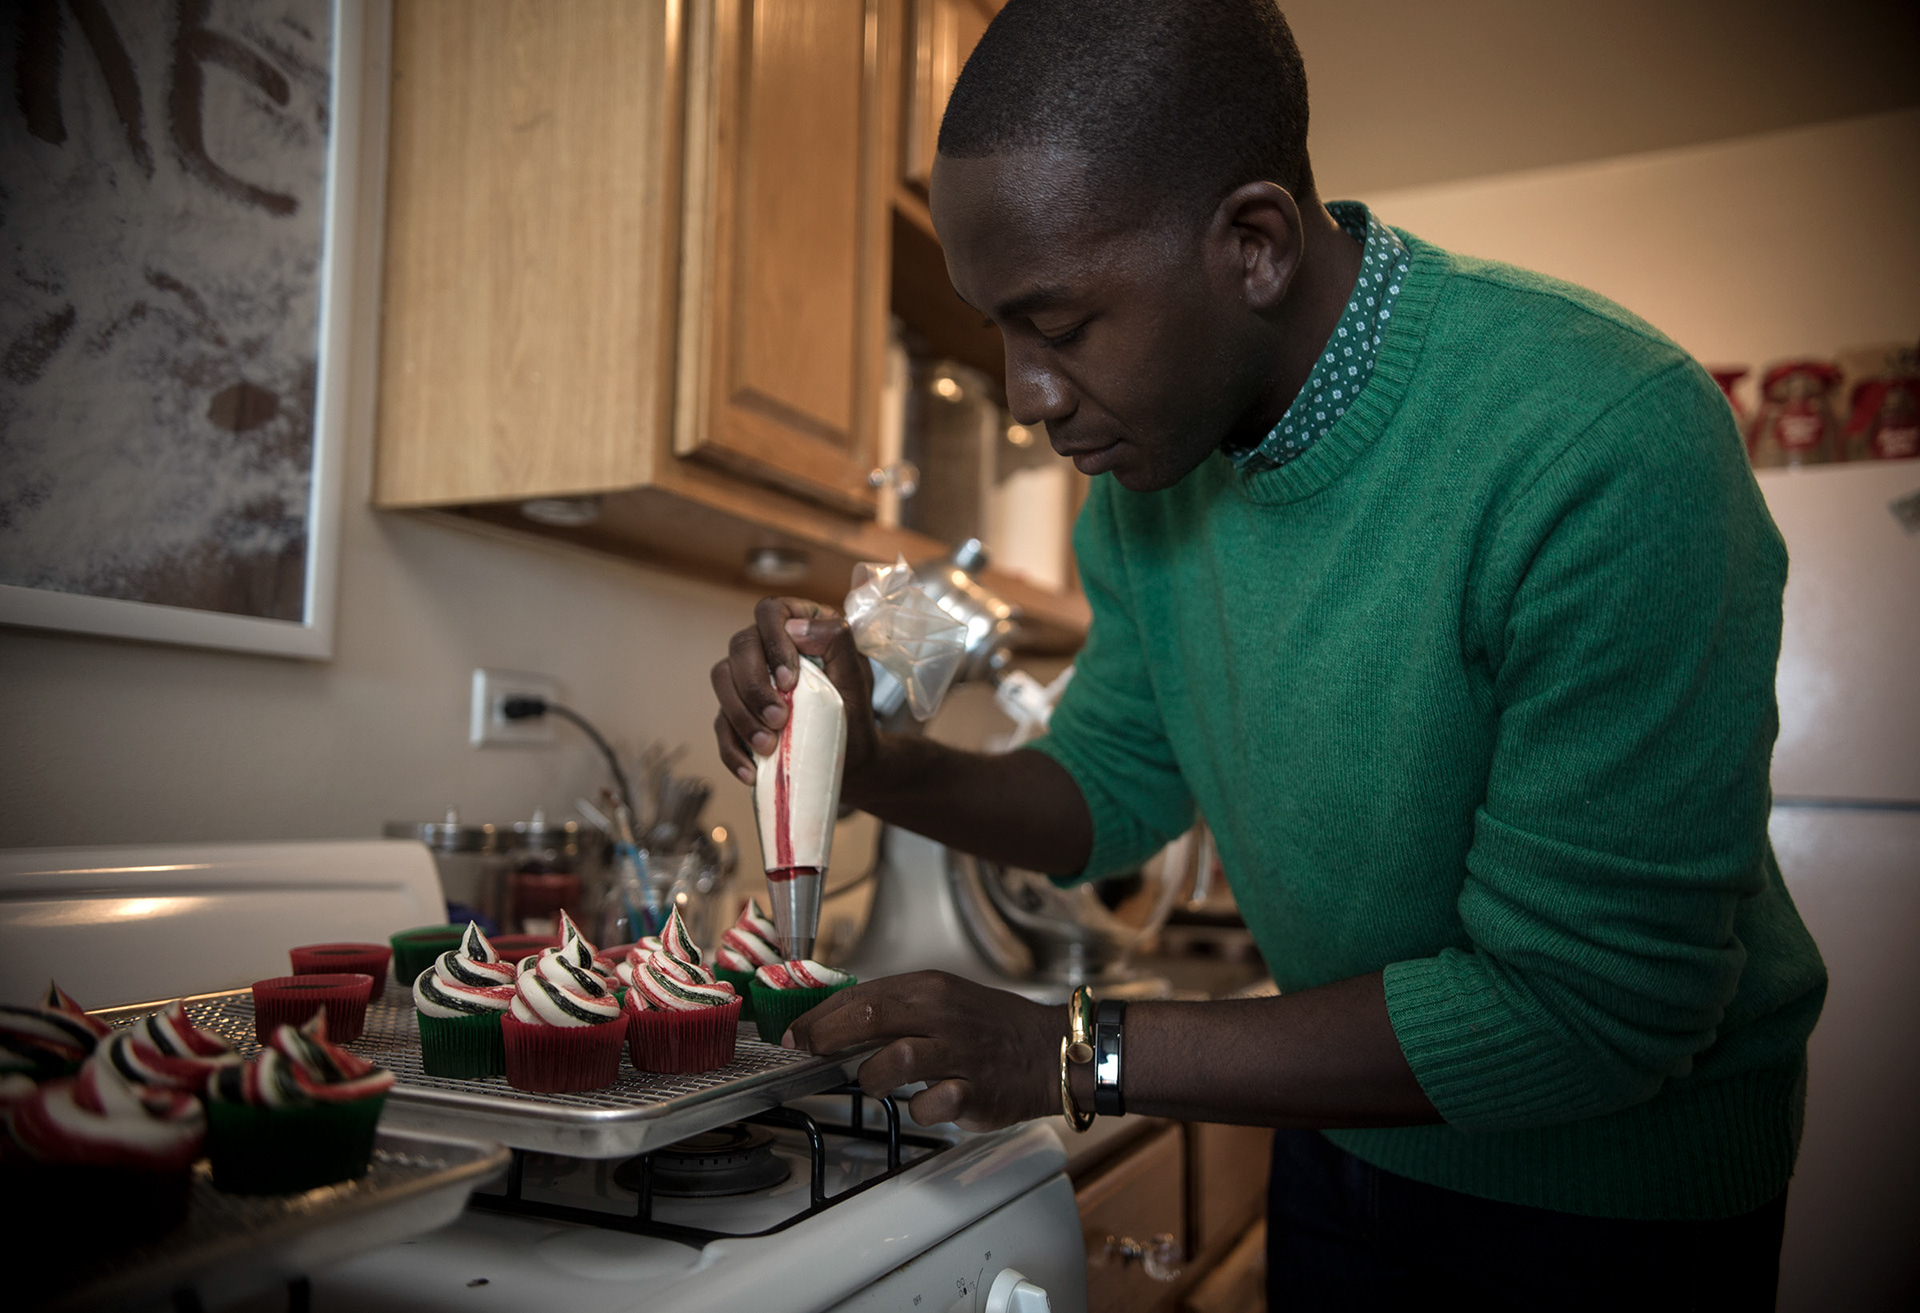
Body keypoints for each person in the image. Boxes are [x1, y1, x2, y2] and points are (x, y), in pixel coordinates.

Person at [710, 2, 1827, 1307]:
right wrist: (871, 761)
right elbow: (1110, 791)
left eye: (1059, 324)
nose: (1025, 394)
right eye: (996, 330)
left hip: (1614, 1206)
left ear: (1251, 245)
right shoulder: (1148, 487)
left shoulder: (1604, 442)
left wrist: (1079, 1048)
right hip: (1346, 1142)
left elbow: (1587, 1014)